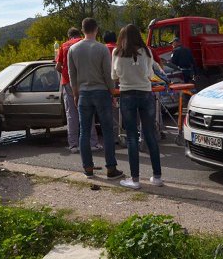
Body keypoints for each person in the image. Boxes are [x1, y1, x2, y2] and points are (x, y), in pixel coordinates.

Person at [68, 18, 122, 179]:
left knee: (84, 131)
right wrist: (112, 93)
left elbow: (72, 75)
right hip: (101, 93)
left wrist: (76, 94)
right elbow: (108, 74)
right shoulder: (102, 49)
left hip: (84, 93)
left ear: (82, 29)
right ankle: (111, 168)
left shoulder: (73, 49)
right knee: (107, 131)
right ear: (96, 29)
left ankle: (88, 168)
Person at [112, 24, 164, 190]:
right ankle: (157, 177)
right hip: (146, 94)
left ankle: (135, 179)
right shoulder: (147, 51)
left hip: (127, 94)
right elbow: (150, 74)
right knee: (150, 134)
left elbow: (114, 75)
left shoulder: (117, 52)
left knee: (132, 137)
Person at [55, 27, 101, 153]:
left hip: (68, 82)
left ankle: (73, 145)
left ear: (69, 36)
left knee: (71, 115)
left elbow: (57, 66)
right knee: (88, 112)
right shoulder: (85, 43)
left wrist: (65, 72)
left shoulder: (64, 46)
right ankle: (93, 143)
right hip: (84, 81)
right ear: (79, 34)